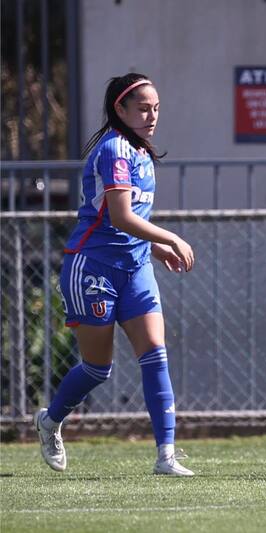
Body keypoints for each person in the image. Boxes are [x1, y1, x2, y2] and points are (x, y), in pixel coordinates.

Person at [34, 73, 196, 476]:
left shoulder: (142, 152)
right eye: (142, 107)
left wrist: (153, 248)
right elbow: (121, 216)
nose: (151, 115)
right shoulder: (114, 150)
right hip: (92, 267)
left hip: (135, 267)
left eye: (156, 108)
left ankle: (166, 456)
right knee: (97, 368)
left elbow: (129, 220)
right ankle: (50, 421)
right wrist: (170, 237)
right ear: (119, 110)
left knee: (155, 353)